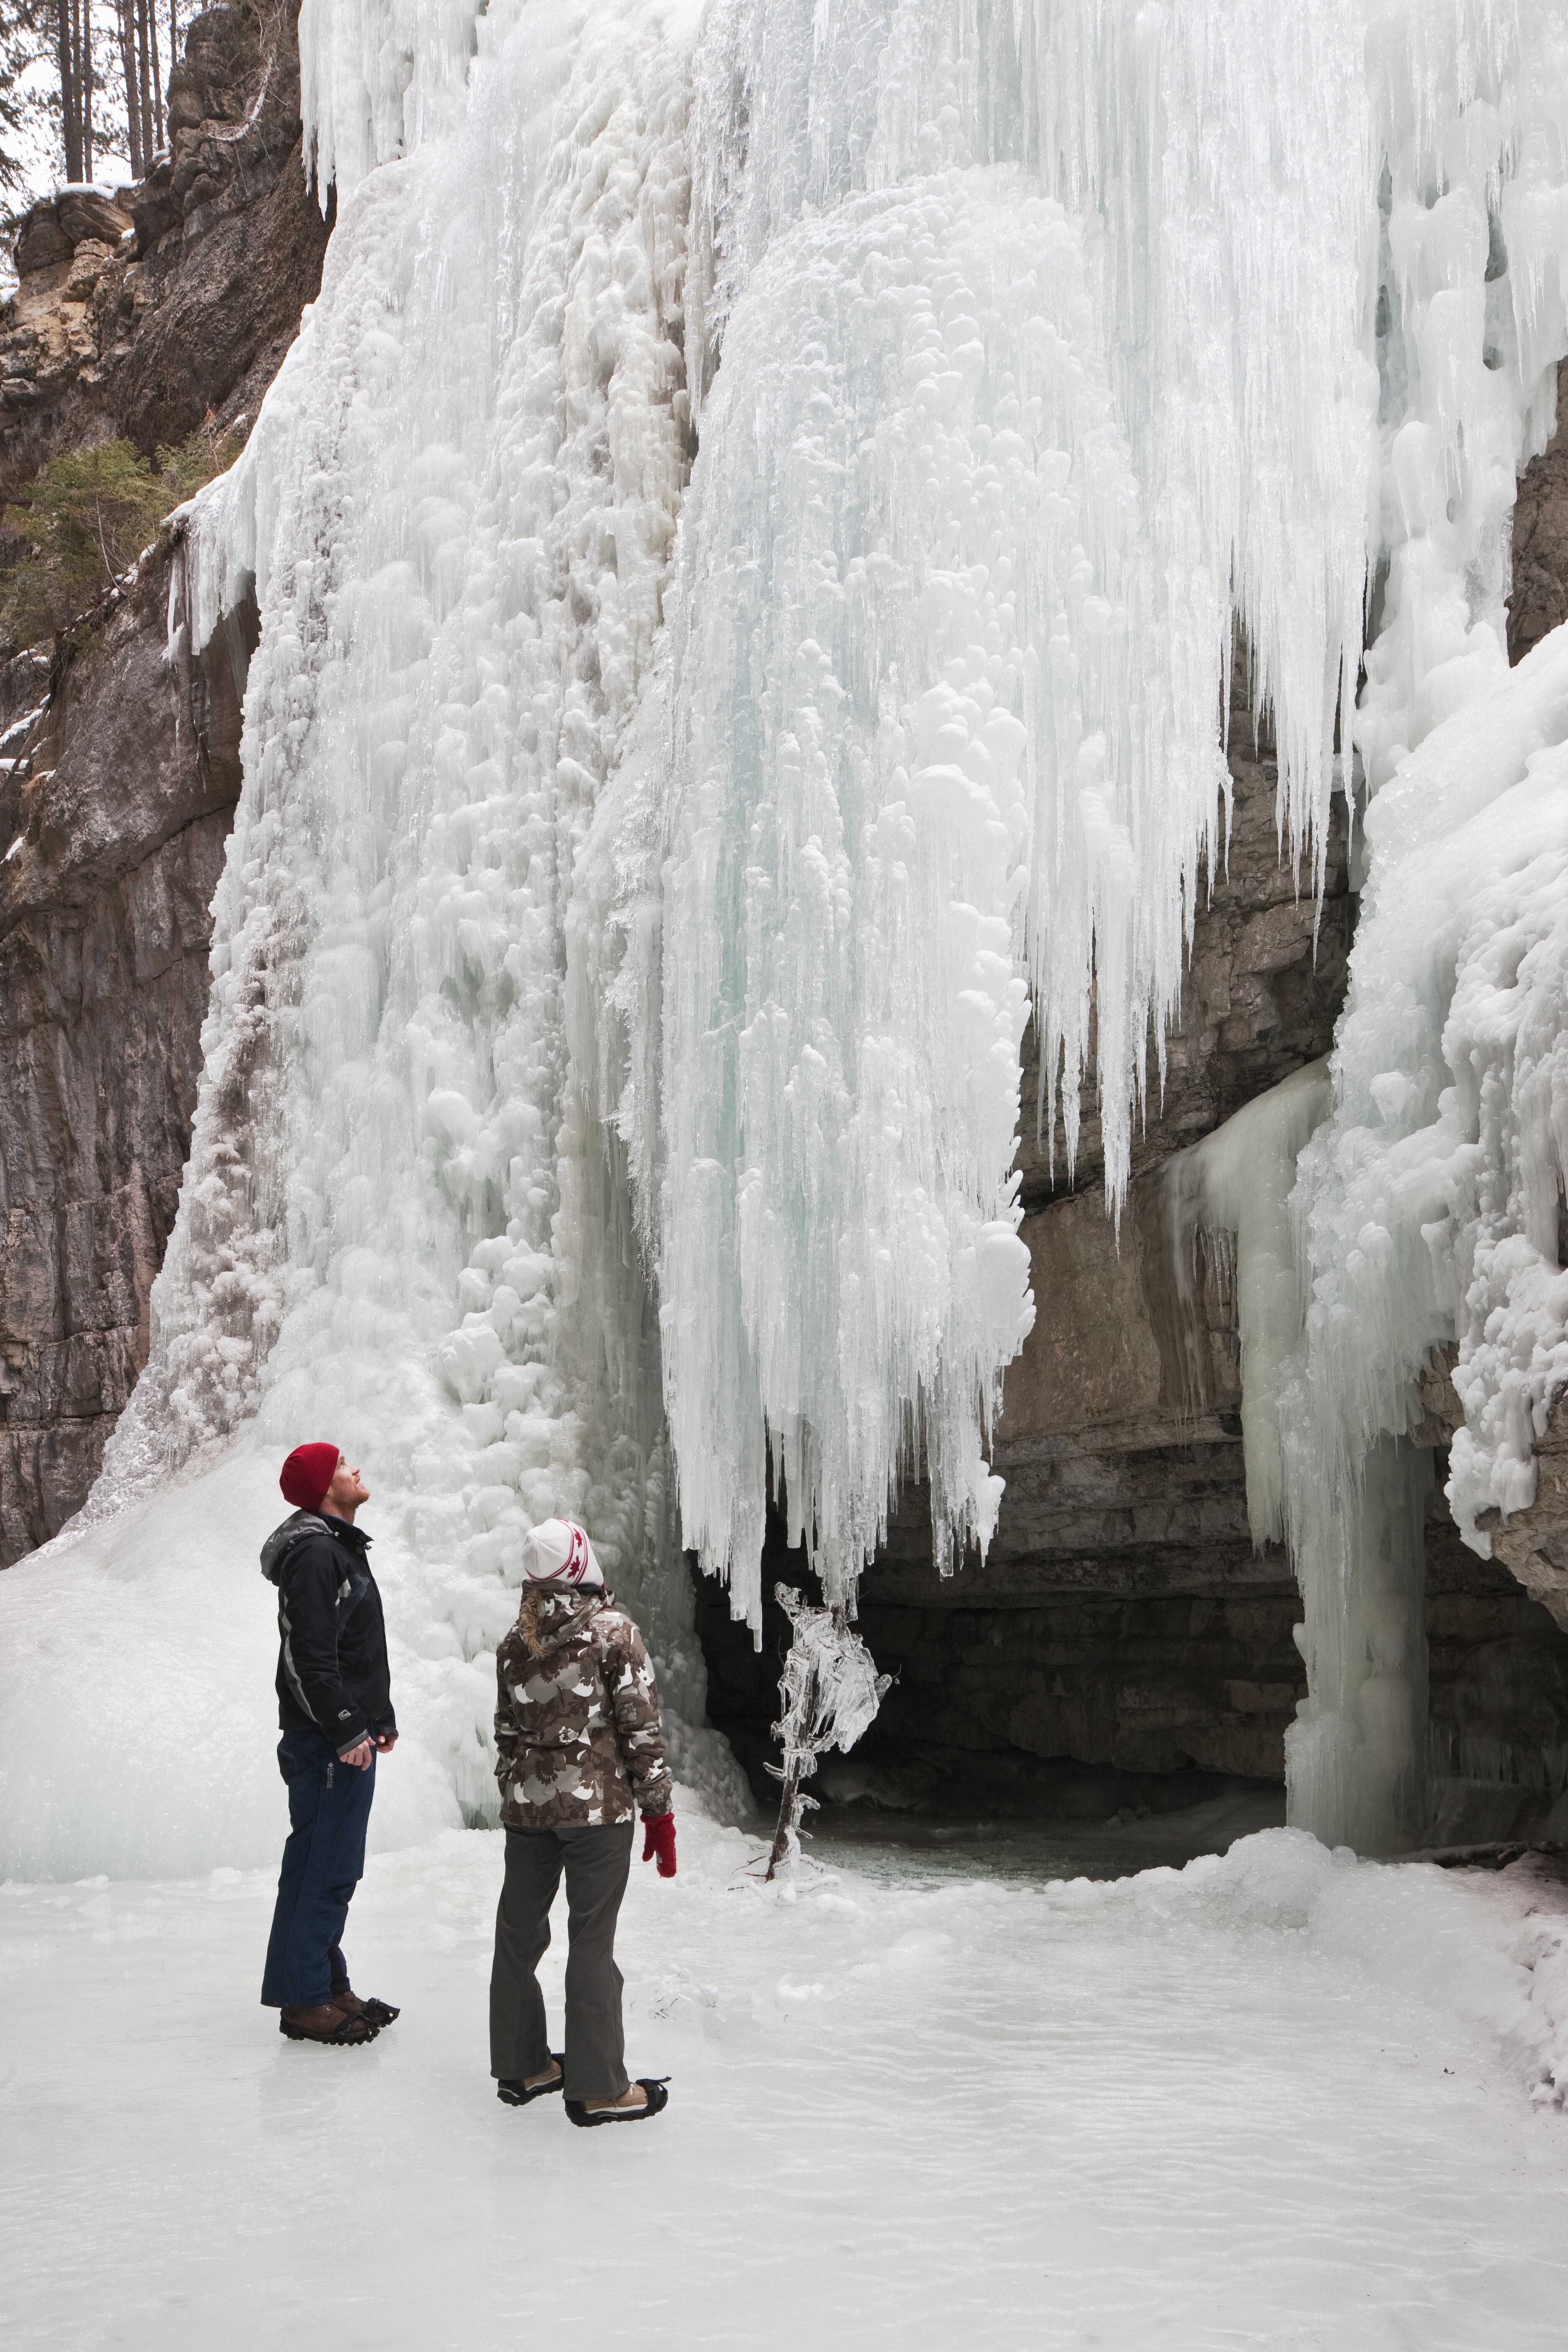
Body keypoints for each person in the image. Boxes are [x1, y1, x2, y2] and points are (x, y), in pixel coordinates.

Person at [490, 1517, 677, 2125]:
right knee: (591, 1942)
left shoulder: (515, 1643)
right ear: (580, 1562)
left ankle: (524, 2067)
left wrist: (521, 1792)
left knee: (519, 1936)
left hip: (528, 1812)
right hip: (598, 1812)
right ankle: (598, 2087)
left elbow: (506, 1734)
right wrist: (660, 1816)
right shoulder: (612, 1633)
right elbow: (640, 1730)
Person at [259, 1442, 401, 2046]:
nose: (356, 1471)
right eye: (343, 1466)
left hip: (339, 1733)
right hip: (326, 1741)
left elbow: (353, 1647)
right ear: (324, 1487)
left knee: (330, 1865)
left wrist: (378, 1715)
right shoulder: (317, 1553)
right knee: (323, 1868)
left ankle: (325, 1982)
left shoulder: (334, 1548)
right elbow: (309, 1655)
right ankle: (304, 2000)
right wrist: (345, 1725)